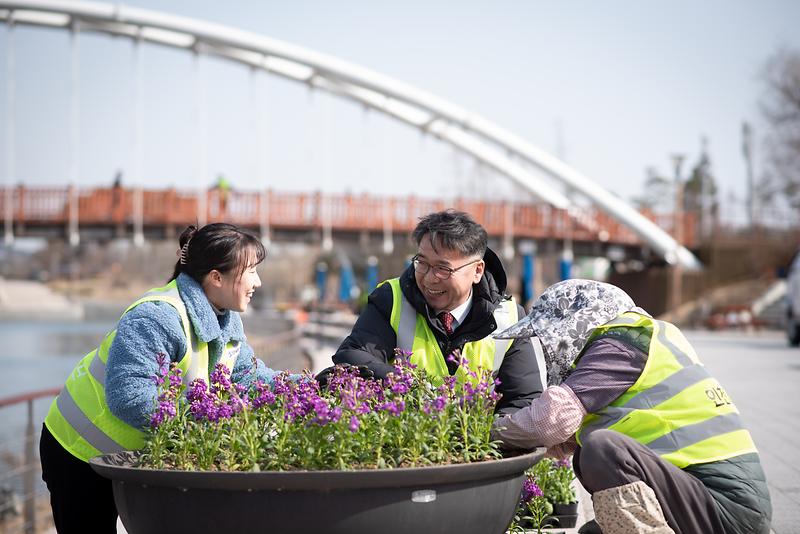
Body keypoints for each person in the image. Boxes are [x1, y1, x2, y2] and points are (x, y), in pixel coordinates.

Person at [40, 223, 288, 533]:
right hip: (77, 451)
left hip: (127, 457)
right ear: (216, 277)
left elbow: (251, 376)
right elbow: (129, 396)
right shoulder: (157, 317)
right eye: (251, 271)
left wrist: (311, 386)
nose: (258, 281)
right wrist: (210, 415)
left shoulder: (224, 320)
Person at [491, 279, 772, 534]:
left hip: (725, 505)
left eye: (548, 335)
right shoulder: (643, 337)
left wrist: (486, 433)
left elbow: (553, 420)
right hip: (715, 497)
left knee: (601, 450)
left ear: (574, 323)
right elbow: (561, 439)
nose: (548, 346)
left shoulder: (624, 342)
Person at [326, 209, 545, 414]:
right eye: (422, 263)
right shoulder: (391, 298)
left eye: (443, 268)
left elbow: (524, 401)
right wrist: (414, 389)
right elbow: (354, 355)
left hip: (482, 450)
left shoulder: (510, 318)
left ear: (477, 270)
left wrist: (477, 438)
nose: (430, 278)